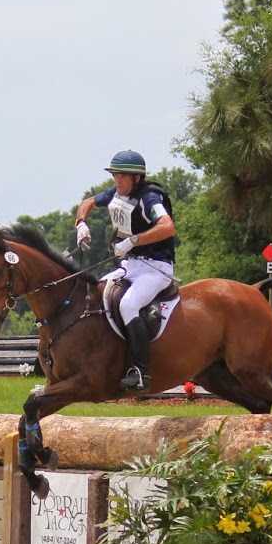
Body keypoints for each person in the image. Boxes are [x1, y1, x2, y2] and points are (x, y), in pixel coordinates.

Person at [72, 149, 176, 390]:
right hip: (130, 265)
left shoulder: (150, 198)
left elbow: (167, 227)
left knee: (128, 305)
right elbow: (87, 202)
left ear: (136, 178)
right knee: (94, 294)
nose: (117, 181)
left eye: (122, 176)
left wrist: (132, 241)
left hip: (156, 267)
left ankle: (140, 372)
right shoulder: (117, 193)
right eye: (115, 175)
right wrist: (81, 223)